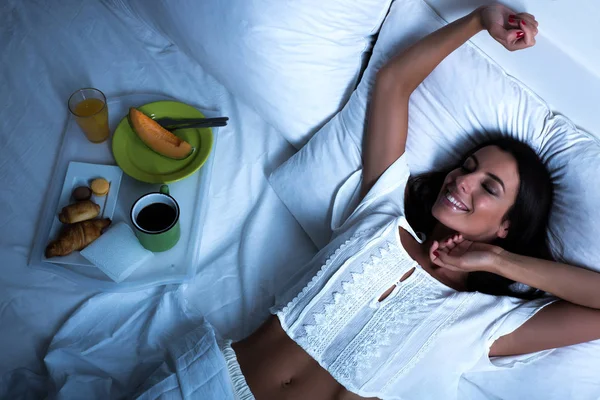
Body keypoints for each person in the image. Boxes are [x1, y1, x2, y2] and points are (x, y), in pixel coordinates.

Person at [136, 4, 600, 400]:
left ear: (506, 226)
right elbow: (395, 82)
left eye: (489, 188)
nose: (463, 181)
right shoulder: (383, 211)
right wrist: (479, 18)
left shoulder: (487, 323)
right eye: (468, 166)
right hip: (207, 384)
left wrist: (498, 261)